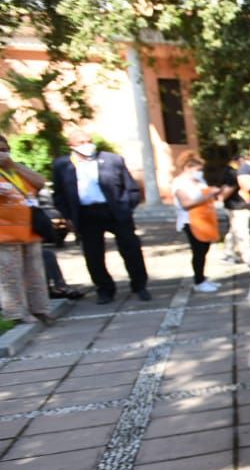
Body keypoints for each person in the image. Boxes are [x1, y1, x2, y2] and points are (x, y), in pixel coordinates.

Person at [50, 127, 150, 303]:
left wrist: (126, 207)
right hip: (86, 214)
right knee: (93, 254)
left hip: (114, 211)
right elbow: (59, 194)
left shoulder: (112, 160)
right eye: (81, 142)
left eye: (89, 141)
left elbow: (131, 187)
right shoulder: (62, 165)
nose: (87, 145)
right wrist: (68, 216)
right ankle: (104, 289)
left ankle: (139, 285)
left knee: (131, 248)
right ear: (71, 145)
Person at [0, 134, 53, 324]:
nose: (2, 154)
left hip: (30, 230)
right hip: (5, 233)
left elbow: (39, 181)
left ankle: (40, 308)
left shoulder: (15, 169)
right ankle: (17, 314)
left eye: (5, 150)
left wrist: (13, 165)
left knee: (35, 273)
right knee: (10, 276)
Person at [173, 152, 232, 293]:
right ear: (188, 167)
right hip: (191, 221)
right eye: (197, 170)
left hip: (205, 219)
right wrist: (208, 196)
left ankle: (203, 278)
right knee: (198, 251)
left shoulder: (199, 181)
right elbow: (186, 203)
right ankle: (198, 280)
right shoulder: (179, 183)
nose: (200, 173)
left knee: (204, 250)